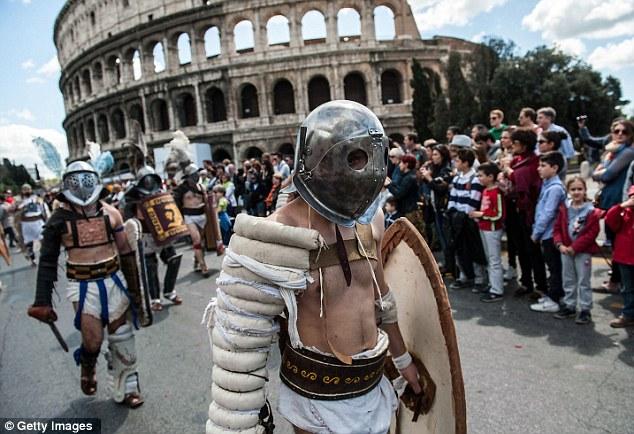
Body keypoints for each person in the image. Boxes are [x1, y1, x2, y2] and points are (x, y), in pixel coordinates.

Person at [204, 101, 424, 433]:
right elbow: (238, 352)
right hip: (317, 400)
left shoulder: (371, 220)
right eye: (356, 158)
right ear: (319, 161)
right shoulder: (276, 238)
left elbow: (382, 300)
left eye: (373, 157)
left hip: (373, 387)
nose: (371, 172)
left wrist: (402, 359)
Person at [27, 161, 144, 408]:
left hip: (114, 281)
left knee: (122, 336)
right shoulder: (58, 221)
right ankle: (88, 367)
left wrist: (136, 293)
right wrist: (42, 301)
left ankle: (129, 388)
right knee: (93, 340)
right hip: (82, 286)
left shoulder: (111, 214)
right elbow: (47, 262)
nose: (82, 187)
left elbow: (126, 252)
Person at [123, 166, 184, 311]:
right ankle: (155, 299)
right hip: (145, 236)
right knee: (150, 268)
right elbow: (127, 217)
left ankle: (169, 291)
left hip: (162, 233)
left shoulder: (160, 193)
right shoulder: (131, 197)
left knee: (173, 260)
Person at [501, 128, 546, 298]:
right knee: (520, 247)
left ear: (524, 145)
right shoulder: (517, 160)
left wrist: (509, 171)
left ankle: (540, 285)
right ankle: (526, 282)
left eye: (515, 143)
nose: (512, 145)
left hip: (528, 211)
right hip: (514, 208)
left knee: (532, 249)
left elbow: (522, 179)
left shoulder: (533, 162)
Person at [592, 120, 634, 293]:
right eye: (616, 131)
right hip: (610, 201)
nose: (620, 134)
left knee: (618, 244)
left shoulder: (627, 152)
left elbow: (607, 174)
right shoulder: (612, 151)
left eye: (624, 132)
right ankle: (618, 280)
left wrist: (599, 171)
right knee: (614, 243)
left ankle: (616, 282)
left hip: (619, 202)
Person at [553, 177, 601, 324]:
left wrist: (575, 247)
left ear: (585, 190)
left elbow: (592, 233)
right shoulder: (564, 208)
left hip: (582, 252)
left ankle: (585, 309)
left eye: (580, 189)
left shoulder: (591, 211)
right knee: (568, 279)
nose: (576, 192)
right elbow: (557, 229)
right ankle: (570, 305)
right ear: (568, 191)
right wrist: (560, 244)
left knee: (583, 281)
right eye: (573, 189)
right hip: (565, 251)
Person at [530, 151, 567, 313]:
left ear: (555, 168)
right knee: (552, 266)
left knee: (555, 268)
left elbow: (548, 213)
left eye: (543, 166)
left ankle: (554, 299)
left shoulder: (555, 189)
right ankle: (553, 295)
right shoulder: (547, 184)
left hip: (550, 234)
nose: (539, 168)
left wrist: (536, 233)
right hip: (546, 233)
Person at [446, 148, 487, 290]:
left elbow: (473, 201)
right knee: (460, 249)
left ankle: (479, 279)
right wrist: (452, 211)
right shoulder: (457, 178)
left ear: (465, 163)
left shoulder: (474, 179)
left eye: (458, 160)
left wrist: (463, 213)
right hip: (457, 219)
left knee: (473, 249)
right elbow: (453, 197)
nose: (455, 163)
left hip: (468, 220)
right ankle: (464, 276)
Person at [469, 162, 505, 302]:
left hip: (492, 229)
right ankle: (492, 284)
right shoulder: (485, 190)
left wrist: (481, 215)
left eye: (481, 176)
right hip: (484, 227)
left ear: (491, 177)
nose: (479, 178)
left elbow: (499, 214)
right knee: (489, 258)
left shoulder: (496, 192)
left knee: (494, 260)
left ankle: (497, 290)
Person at [173, 164, 211, 277]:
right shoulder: (181, 188)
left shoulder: (201, 187)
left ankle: (197, 259)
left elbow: (207, 202)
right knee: (197, 240)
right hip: (189, 216)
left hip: (202, 216)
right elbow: (176, 204)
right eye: (194, 174)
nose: (196, 176)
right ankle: (203, 266)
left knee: (202, 243)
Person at [605, 185, 634, 328]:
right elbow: (610, 220)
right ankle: (628, 315)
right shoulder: (625, 213)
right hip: (624, 257)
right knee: (627, 288)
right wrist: (622, 206)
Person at [420, 145, 453, 254]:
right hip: (435, 206)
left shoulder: (446, 169)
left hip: (443, 207)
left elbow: (440, 189)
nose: (432, 157)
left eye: (435, 154)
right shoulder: (435, 168)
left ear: (442, 156)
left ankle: (449, 262)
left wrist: (429, 178)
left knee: (446, 238)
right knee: (441, 235)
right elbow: (431, 185)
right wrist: (425, 176)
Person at [385, 154, 424, 235]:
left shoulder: (410, 178)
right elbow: (400, 187)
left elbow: (399, 193)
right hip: (406, 210)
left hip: (410, 212)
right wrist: (390, 183)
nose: (400, 165)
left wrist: (388, 185)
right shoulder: (407, 176)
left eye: (401, 163)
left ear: (406, 164)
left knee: (411, 235)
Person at [15, 183, 49, 266]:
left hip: (38, 222)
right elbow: (15, 212)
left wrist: (47, 220)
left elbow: (44, 209)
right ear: (22, 191)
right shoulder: (19, 201)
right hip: (26, 224)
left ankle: (45, 257)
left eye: (28, 189)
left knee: (43, 240)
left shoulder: (37, 199)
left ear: (31, 190)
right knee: (28, 242)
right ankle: (33, 259)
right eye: (25, 189)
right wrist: (20, 209)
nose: (27, 191)